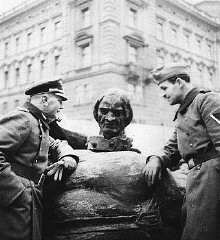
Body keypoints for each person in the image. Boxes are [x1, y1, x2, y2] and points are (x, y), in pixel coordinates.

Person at [44, 88, 183, 240]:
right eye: (104, 111)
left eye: (117, 113)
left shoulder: (139, 161)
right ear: (97, 114)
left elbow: (173, 208)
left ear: (126, 117)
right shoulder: (72, 151)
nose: (109, 118)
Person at [144, 63, 220, 240]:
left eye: (164, 88)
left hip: (212, 178)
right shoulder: (185, 110)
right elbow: (172, 147)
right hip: (197, 180)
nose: (163, 94)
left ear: (178, 82)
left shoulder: (207, 100)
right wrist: (156, 159)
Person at [0, 79, 79, 240]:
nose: (62, 106)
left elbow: (56, 145)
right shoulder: (23, 119)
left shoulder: (38, 123)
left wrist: (68, 156)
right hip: (13, 204)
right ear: (44, 100)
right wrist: (19, 192)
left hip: (28, 201)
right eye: (60, 101)